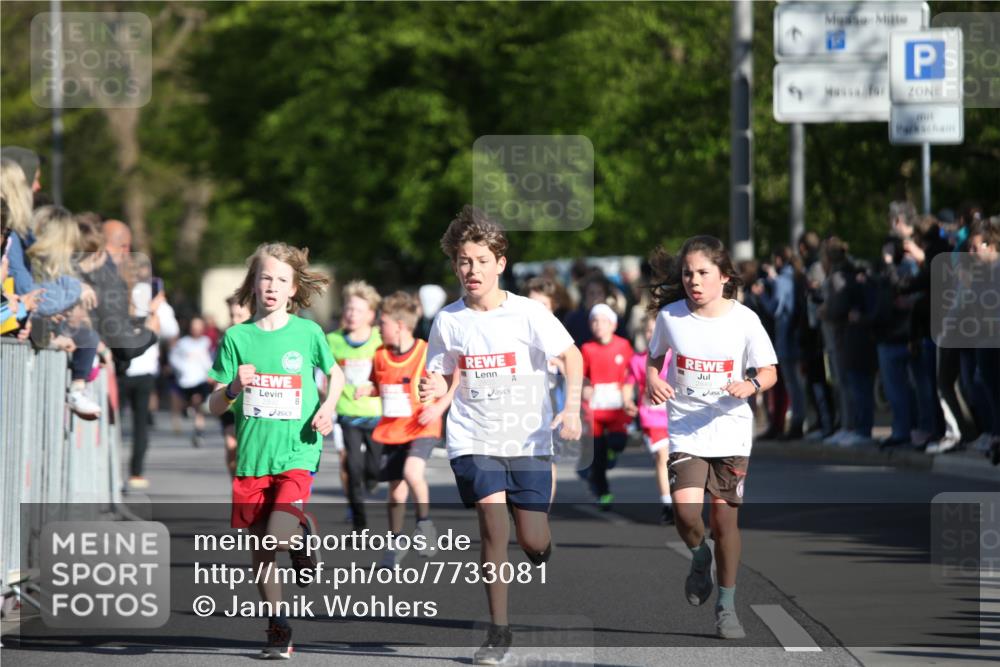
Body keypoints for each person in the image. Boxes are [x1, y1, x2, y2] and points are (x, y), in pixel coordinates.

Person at [420, 205, 582, 665]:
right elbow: (439, 374)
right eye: (464, 261)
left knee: (530, 538)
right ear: (455, 265)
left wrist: (570, 410)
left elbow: (572, 358)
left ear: (500, 264)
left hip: (528, 438)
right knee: (493, 529)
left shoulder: (528, 314)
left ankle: (540, 544)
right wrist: (431, 387)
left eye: (482, 261)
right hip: (474, 437)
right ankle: (498, 631)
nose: (472, 270)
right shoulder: (449, 321)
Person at [207, 242, 344, 659]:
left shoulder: (307, 333)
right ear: (253, 282)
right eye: (265, 277)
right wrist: (232, 388)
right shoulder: (237, 337)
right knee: (263, 550)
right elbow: (213, 403)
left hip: (298, 452)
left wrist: (328, 407)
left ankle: (301, 533)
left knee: (277, 535)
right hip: (253, 459)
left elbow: (334, 375)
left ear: (292, 289)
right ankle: (277, 626)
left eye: (281, 280)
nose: (272, 285)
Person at [646, 235, 777, 640]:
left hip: (731, 432)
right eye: (687, 273)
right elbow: (654, 359)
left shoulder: (744, 320)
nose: (694, 281)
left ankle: (726, 606)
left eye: (703, 273)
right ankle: (699, 557)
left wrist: (751, 385)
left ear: (724, 276)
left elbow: (770, 370)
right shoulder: (671, 318)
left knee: (724, 521)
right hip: (686, 429)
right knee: (686, 515)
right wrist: (653, 379)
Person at [355, 291, 452, 568]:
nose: (377, 328)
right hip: (393, 429)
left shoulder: (425, 352)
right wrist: (369, 389)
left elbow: (444, 383)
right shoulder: (381, 355)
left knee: (412, 471)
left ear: (399, 325)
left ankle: (424, 524)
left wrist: (438, 406)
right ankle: (395, 542)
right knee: (396, 493)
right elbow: (381, 385)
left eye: (382, 323)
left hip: (422, 424)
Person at [326, 280, 383, 530]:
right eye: (348, 308)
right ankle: (359, 521)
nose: (350, 314)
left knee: (373, 469)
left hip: (376, 414)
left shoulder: (381, 340)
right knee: (351, 466)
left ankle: (373, 478)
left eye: (357, 310)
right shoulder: (331, 340)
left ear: (371, 314)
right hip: (346, 414)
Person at [579, 303, 633, 509]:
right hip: (595, 409)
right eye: (594, 321)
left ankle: (613, 451)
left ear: (613, 324)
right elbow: (581, 376)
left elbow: (631, 373)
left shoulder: (623, 346)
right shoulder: (587, 348)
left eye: (603, 321)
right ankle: (603, 493)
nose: (598, 325)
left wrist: (629, 394)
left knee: (618, 442)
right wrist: (584, 388)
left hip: (617, 407)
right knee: (598, 456)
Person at [624, 313, 673, 524]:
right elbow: (628, 384)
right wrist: (627, 401)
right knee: (663, 458)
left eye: (655, 330)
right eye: (648, 331)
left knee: (680, 461)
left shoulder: (676, 355)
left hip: (679, 415)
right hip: (652, 417)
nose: (652, 334)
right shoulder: (638, 359)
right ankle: (668, 505)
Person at [169, 316, 214, 447]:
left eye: (199, 326)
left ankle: (198, 432)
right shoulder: (183, 343)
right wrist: (182, 368)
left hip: (201, 379)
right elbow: (173, 358)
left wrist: (211, 373)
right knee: (192, 403)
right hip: (187, 380)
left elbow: (210, 359)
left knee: (198, 402)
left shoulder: (206, 342)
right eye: (194, 326)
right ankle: (188, 410)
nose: (196, 329)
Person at [219, 295, 251, 476]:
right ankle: (236, 486)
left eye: (239, 315)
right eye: (232, 315)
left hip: (252, 405)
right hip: (230, 403)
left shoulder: (258, 339)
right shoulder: (225, 339)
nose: (234, 320)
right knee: (231, 447)